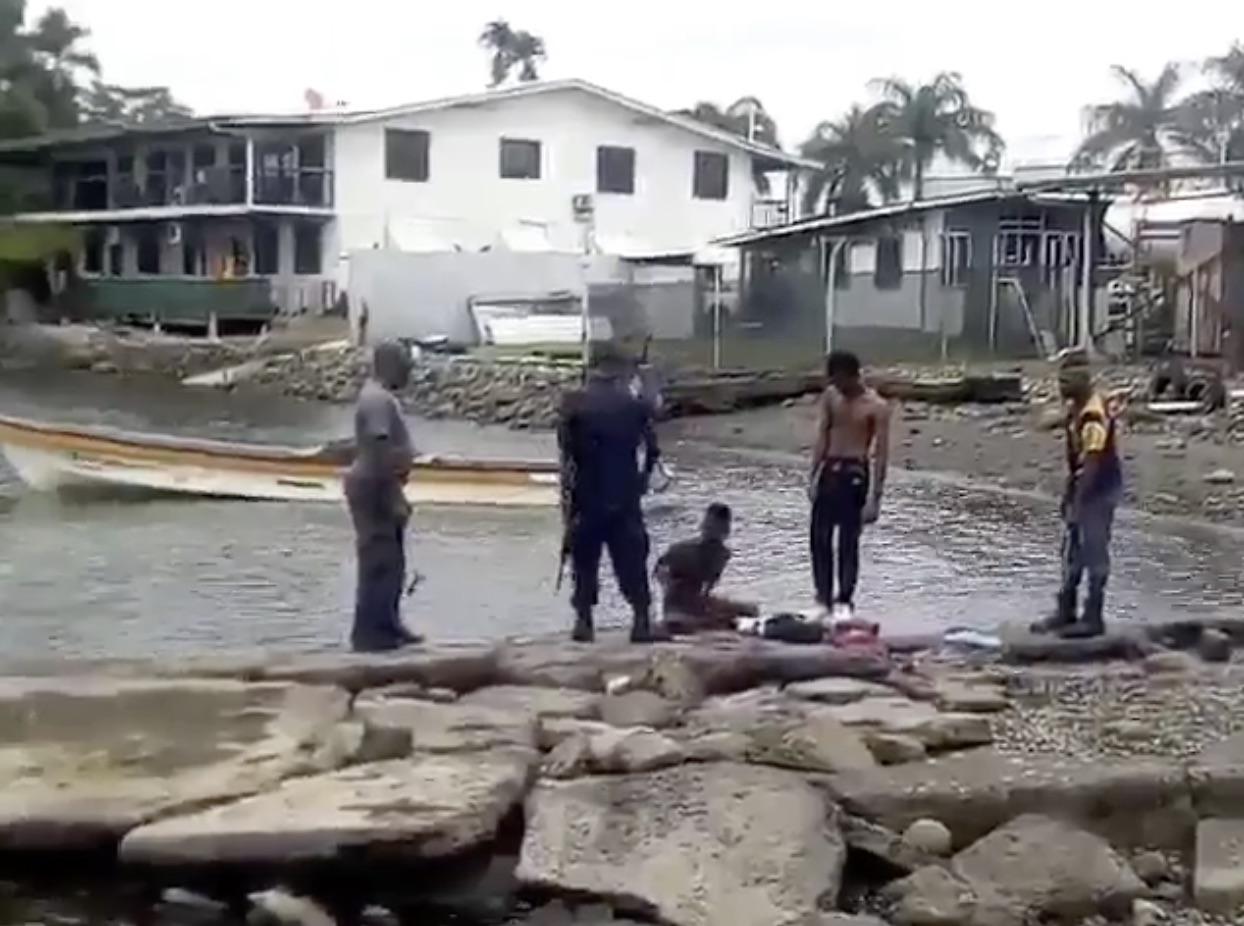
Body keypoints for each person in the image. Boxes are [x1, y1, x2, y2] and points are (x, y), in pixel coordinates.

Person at [557, 343, 664, 644]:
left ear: (591, 371)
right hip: (625, 494)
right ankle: (641, 620)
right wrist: (642, 480)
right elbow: (653, 445)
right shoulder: (631, 405)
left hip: (587, 496)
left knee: (584, 562)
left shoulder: (573, 405)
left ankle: (583, 620)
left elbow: (566, 457)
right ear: (618, 372)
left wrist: (566, 502)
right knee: (631, 561)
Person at [1037, 347, 1123, 639]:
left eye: (1064, 383)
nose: (1059, 388)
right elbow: (1076, 462)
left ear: (1080, 382)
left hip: (1099, 489)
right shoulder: (1076, 410)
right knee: (1071, 551)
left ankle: (1093, 617)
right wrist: (1068, 493)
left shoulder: (1093, 416)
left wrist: (1079, 500)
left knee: (1094, 550)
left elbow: (1094, 463)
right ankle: (1066, 610)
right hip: (1083, 485)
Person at [343, 340, 421, 652]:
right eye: (404, 364)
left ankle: (390, 623)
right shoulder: (377, 400)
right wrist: (393, 496)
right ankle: (371, 635)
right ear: (388, 364)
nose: (409, 371)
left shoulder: (380, 397)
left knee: (393, 561)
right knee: (379, 561)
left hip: (379, 483)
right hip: (374, 486)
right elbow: (378, 448)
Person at [808, 350, 892, 621]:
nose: (836, 385)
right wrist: (813, 476)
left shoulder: (876, 406)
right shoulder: (831, 397)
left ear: (852, 375)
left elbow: (881, 453)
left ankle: (844, 599)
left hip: (855, 472)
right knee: (819, 538)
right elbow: (822, 435)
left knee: (847, 541)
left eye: (839, 380)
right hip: (830, 469)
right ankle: (822, 598)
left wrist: (875, 499)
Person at [655, 503, 759, 634]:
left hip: (694, 604)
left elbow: (707, 588)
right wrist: (670, 586)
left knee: (750, 610)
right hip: (679, 607)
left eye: (711, 526)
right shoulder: (682, 550)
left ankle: (698, 620)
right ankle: (695, 620)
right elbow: (660, 571)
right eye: (709, 526)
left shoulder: (722, 554)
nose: (708, 529)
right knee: (739, 614)